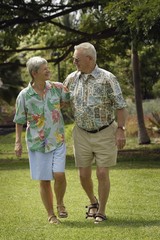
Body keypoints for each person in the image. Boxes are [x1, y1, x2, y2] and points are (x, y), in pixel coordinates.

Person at [64, 42, 127, 224]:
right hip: (81, 133)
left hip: (105, 132)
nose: (74, 61)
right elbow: (61, 100)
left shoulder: (108, 78)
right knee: (83, 175)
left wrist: (121, 130)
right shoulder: (71, 79)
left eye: (77, 59)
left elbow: (121, 106)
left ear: (89, 59)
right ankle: (93, 201)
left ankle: (101, 211)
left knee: (101, 173)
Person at [14, 56, 70, 224]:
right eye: (45, 68)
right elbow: (19, 120)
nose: (48, 70)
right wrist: (18, 142)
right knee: (44, 180)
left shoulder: (57, 88)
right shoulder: (24, 95)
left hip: (57, 139)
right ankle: (51, 214)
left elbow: (67, 101)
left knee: (59, 175)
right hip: (37, 144)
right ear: (34, 73)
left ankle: (60, 203)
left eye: (48, 68)